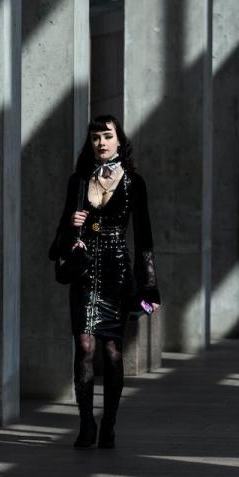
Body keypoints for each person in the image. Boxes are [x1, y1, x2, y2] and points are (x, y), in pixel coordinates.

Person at [50, 115, 160, 449]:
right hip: (85, 271)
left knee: (112, 351)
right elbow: (59, 239)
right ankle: (86, 423)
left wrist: (149, 285)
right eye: (95, 137)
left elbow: (144, 238)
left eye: (107, 136)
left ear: (118, 141)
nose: (101, 142)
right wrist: (74, 223)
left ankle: (109, 422)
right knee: (84, 346)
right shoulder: (79, 180)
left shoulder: (134, 183)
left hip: (116, 272)